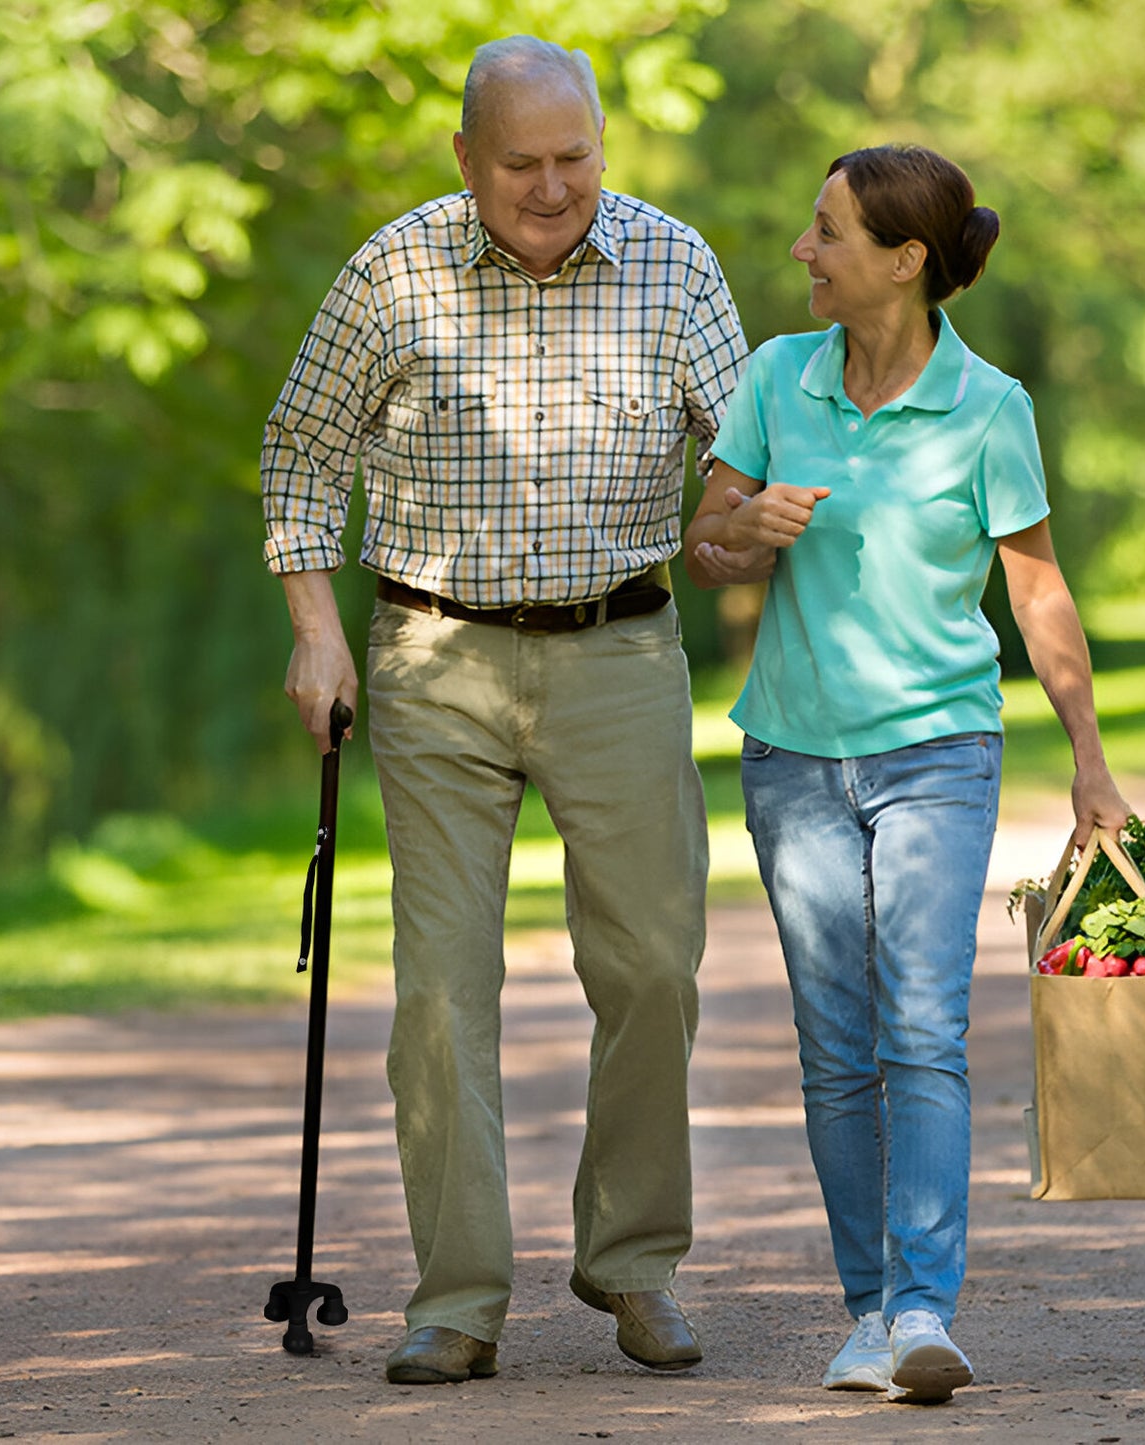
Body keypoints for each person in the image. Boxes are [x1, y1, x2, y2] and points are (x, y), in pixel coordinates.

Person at [261, 36, 747, 1385]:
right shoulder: (391, 269)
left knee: (652, 965)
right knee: (440, 989)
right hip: (432, 659)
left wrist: (743, 521)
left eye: (574, 159)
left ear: (603, 145)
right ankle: (459, 1294)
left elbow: (749, 442)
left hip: (620, 651)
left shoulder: (674, 262)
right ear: (465, 159)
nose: (551, 189)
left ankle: (634, 1262)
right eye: (520, 164)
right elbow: (299, 453)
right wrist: (315, 633)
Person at [682, 143, 1129, 1405]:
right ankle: (869, 1309)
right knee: (834, 1047)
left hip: (937, 750)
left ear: (902, 258)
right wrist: (740, 530)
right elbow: (701, 544)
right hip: (791, 759)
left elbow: (1034, 588)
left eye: (822, 231)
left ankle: (924, 1306)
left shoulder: (989, 407)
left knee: (918, 1026)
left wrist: (1089, 760)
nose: (799, 251)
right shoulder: (778, 376)